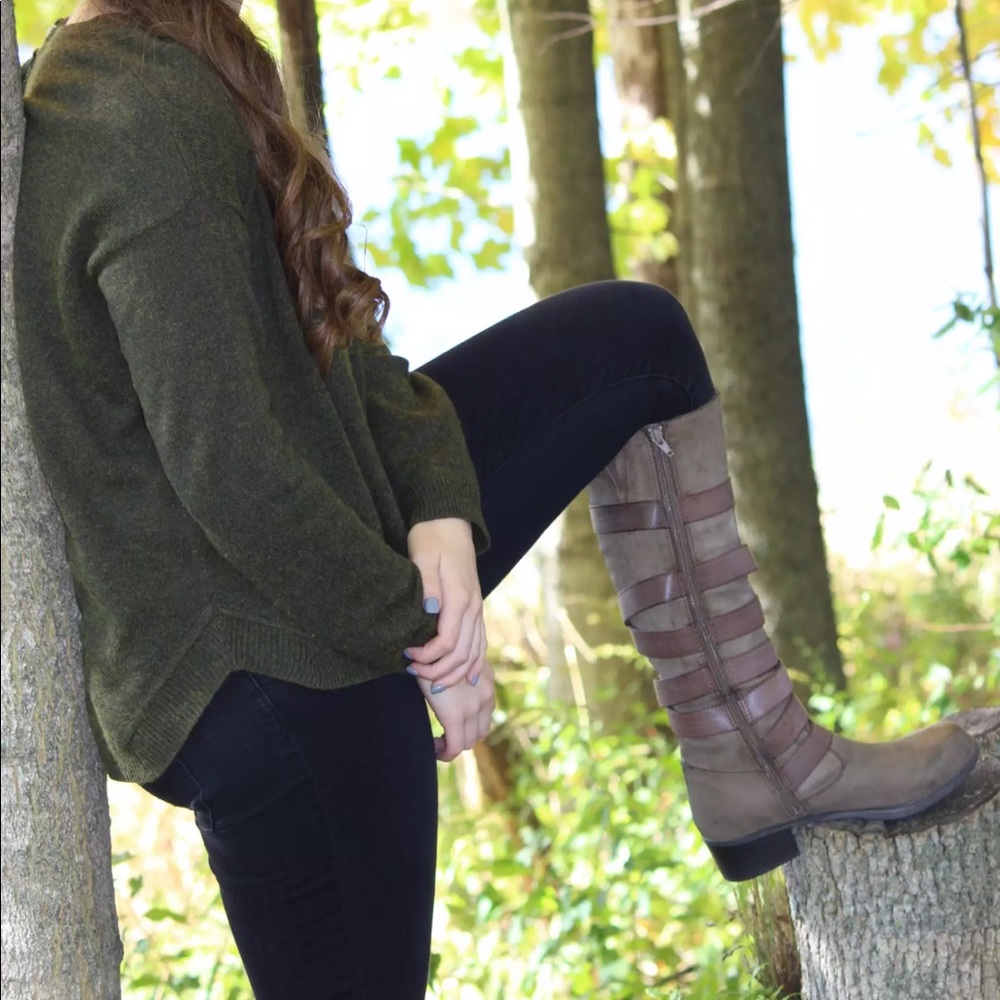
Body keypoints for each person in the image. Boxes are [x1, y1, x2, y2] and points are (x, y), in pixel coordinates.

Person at [15, 1, 978, 997]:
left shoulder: (171, 62)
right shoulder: (130, 110)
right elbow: (231, 473)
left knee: (633, 346)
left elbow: (328, 354)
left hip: (316, 568)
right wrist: (425, 630)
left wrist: (437, 503)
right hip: (272, 675)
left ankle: (756, 753)